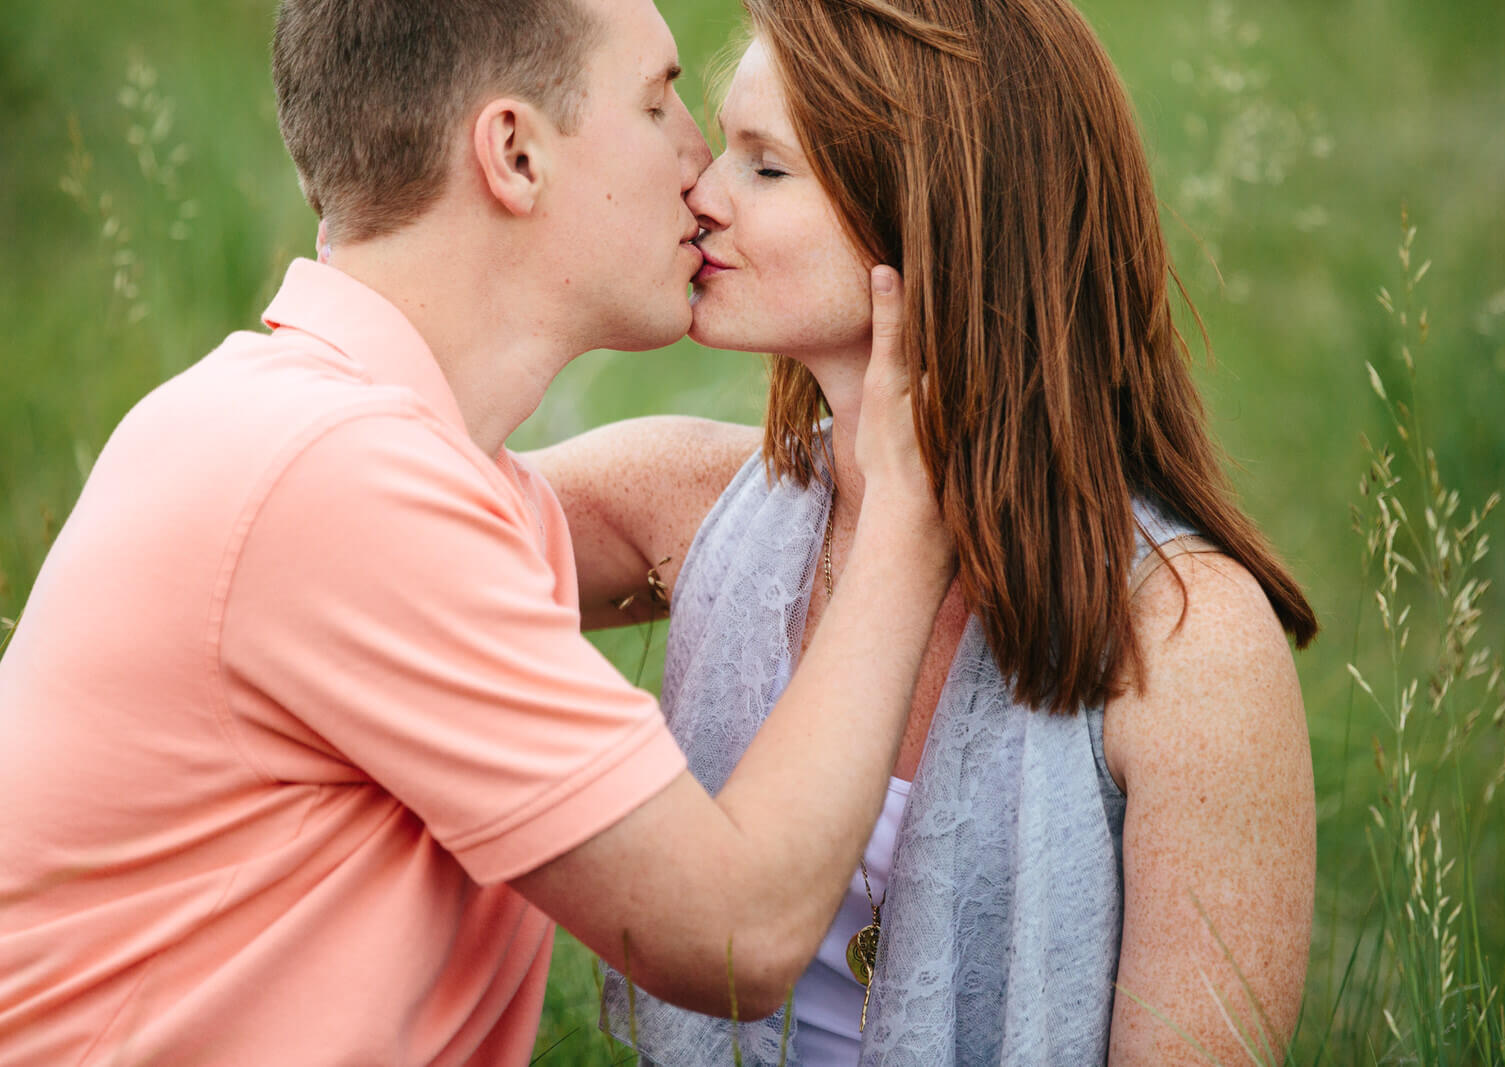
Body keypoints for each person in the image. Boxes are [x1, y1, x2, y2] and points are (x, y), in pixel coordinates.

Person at [0, 0, 955, 1062]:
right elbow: (737, 931)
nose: (696, 164)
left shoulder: (348, 446)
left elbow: (666, 504)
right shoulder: (335, 479)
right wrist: (900, 523)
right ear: (513, 153)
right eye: (655, 104)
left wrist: (984, 471)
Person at [537, 0, 1319, 1062]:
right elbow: (371, 512)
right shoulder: (693, 502)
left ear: (934, 216)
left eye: (765, 168)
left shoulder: (1187, 643)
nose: (703, 196)